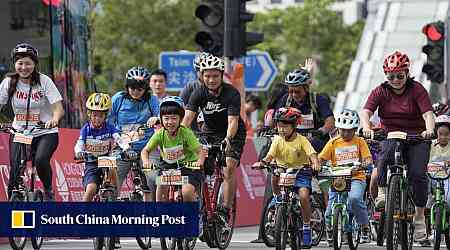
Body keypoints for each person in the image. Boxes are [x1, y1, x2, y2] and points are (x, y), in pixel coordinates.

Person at [360, 51, 435, 242]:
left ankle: (419, 217)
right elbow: (366, 112)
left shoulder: (417, 89)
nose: (396, 80)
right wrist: (367, 127)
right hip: (390, 134)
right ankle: (384, 192)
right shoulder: (380, 91)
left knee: (418, 174)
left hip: (417, 136)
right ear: (386, 76)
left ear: (407, 73)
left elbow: (428, 114)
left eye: (400, 76)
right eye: (391, 76)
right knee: (384, 156)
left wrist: (429, 130)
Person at [181, 54, 246, 224]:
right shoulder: (198, 93)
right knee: (199, 164)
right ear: (201, 75)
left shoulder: (231, 93)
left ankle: (225, 208)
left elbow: (233, 122)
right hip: (209, 132)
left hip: (232, 133)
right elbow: (187, 119)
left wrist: (227, 140)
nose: (211, 80)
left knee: (228, 167)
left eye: (215, 76)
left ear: (222, 75)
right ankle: (203, 204)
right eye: (207, 76)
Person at [0, 43, 64, 201]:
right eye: (20, 63)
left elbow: (58, 108)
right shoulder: (9, 82)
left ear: (35, 64)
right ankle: (12, 207)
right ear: (14, 64)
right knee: (15, 169)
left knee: (41, 160)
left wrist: (54, 120)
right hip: (19, 132)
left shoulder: (44, 81)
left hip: (44, 132)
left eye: (28, 63)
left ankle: (48, 190)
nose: (24, 67)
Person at [253, 107, 320, 248]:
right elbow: (270, 156)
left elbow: (312, 154)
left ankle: (306, 227)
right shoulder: (277, 140)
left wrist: (314, 163)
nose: (281, 129)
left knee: (303, 196)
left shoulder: (302, 140)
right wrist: (263, 162)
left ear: (294, 126)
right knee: (274, 175)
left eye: (285, 126)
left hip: (301, 171)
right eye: (279, 125)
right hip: (282, 170)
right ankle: (278, 198)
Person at [319, 109, 372, 245]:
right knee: (329, 210)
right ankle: (330, 229)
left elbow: (367, 158)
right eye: (343, 130)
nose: (346, 133)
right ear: (338, 128)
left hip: (356, 177)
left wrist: (365, 163)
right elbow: (321, 158)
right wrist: (317, 164)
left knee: (354, 199)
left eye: (349, 130)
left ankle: (364, 226)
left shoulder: (360, 142)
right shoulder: (333, 142)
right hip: (338, 179)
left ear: (355, 129)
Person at [141, 96, 206, 202]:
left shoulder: (186, 133)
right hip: (168, 167)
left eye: (174, 118)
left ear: (180, 119)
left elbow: (200, 151)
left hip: (188, 167)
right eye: (166, 118)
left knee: (187, 192)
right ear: (161, 119)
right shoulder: (159, 134)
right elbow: (145, 151)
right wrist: (146, 162)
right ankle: (162, 215)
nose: (170, 122)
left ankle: (191, 216)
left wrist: (199, 163)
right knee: (161, 187)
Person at [109, 66, 160, 201]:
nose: (136, 91)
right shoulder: (118, 99)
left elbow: (163, 113)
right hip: (123, 147)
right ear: (127, 86)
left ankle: (152, 213)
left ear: (146, 88)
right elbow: (107, 121)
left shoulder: (152, 100)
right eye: (132, 87)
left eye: (140, 88)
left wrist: (157, 117)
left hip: (147, 148)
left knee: (153, 178)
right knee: (113, 181)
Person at [74, 93, 133, 202]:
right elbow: (79, 143)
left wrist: (127, 149)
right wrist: (79, 152)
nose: (97, 119)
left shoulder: (110, 128)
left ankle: (115, 193)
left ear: (106, 116)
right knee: (91, 189)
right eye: (94, 115)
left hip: (106, 159)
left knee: (112, 167)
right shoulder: (86, 129)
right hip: (92, 162)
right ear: (89, 114)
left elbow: (120, 140)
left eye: (100, 116)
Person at [180, 52, 210, 132]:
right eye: (200, 70)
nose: (204, 74)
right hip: (194, 132)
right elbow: (179, 107)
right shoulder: (190, 87)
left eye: (206, 70)